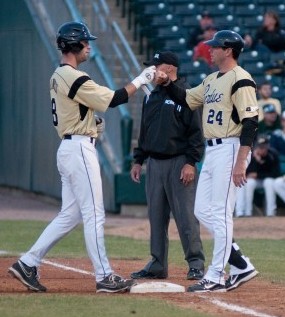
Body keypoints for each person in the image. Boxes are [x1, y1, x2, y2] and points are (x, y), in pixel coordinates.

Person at [8, 21, 155, 293]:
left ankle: (28, 262)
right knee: (94, 215)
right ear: (73, 45)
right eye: (85, 42)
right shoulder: (73, 76)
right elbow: (113, 99)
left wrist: (89, 121)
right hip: (78, 150)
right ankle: (104, 276)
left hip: (70, 146)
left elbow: (77, 108)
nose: (89, 46)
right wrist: (141, 79)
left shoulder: (60, 75)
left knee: (69, 215)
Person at [155, 30, 259, 292]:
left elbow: (250, 122)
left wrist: (240, 162)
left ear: (228, 50)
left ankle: (215, 275)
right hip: (212, 152)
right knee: (201, 210)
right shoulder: (212, 79)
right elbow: (187, 99)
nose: (209, 50)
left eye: (215, 47)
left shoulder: (241, 79)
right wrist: (167, 83)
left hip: (231, 148)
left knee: (222, 214)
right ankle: (240, 265)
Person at [130, 51, 205, 281]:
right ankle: (157, 264)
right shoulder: (151, 96)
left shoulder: (187, 94)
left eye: (156, 65)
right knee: (156, 216)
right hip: (154, 163)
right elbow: (145, 130)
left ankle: (196, 263)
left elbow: (196, 133)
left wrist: (191, 162)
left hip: (179, 161)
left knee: (186, 217)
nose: (152, 70)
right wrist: (139, 159)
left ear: (170, 68)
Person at [235, 135, 280, 217]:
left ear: (267, 146)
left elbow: (275, 173)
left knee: (269, 182)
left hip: (268, 179)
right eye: (260, 147)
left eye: (264, 147)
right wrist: (256, 160)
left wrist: (259, 171)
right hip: (256, 181)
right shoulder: (251, 155)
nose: (261, 149)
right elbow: (247, 172)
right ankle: (247, 212)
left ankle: (271, 213)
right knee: (249, 183)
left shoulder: (273, 154)